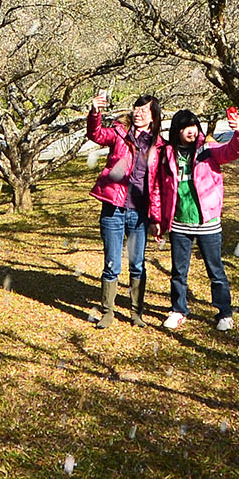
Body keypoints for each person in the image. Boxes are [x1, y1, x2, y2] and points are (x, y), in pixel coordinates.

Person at [147, 106, 239, 332]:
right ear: (177, 131)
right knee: (178, 272)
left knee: (215, 270)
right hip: (179, 223)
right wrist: (157, 219)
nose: (190, 131)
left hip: (207, 223)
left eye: (193, 126)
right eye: (185, 127)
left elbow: (233, 151)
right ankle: (178, 310)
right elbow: (157, 187)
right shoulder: (168, 154)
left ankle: (224, 312)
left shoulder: (207, 150)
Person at [85, 92, 164, 327]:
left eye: (144, 110)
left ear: (153, 116)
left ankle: (136, 313)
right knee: (111, 263)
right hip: (114, 208)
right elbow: (96, 134)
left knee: (137, 263)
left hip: (139, 212)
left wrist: (156, 217)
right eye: (136, 109)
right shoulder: (119, 134)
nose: (138, 113)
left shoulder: (158, 145)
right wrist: (94, 112)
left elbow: (158, 184)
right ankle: (107, 312)